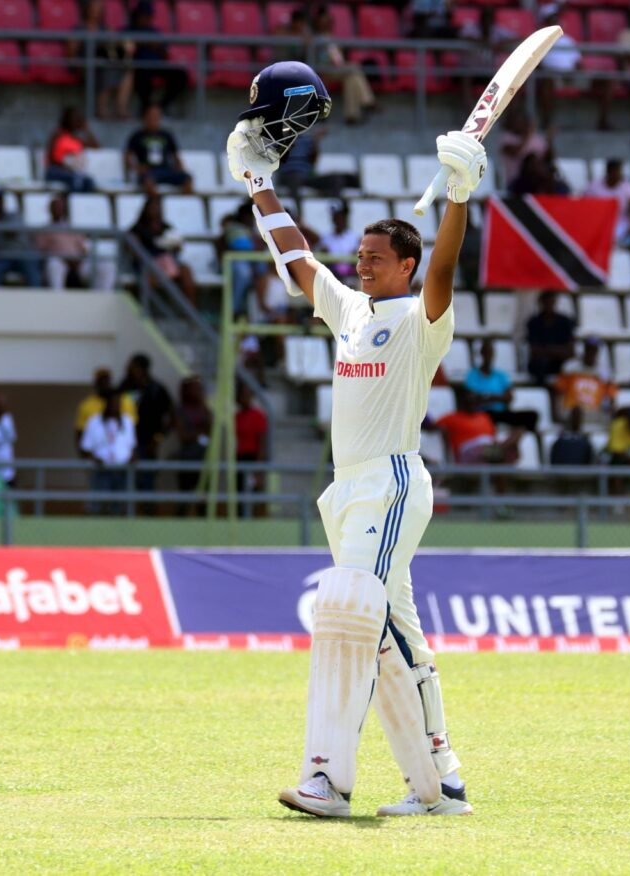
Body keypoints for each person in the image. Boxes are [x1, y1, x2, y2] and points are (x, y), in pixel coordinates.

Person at [227, 61, 481, 817]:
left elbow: (444, 265)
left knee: (345, 606)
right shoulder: (349, 309)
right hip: (350, 491)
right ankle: (442, 785)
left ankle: (326, 779)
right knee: (393, 635)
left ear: (403, 264)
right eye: (361, 256)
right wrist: (256, 183)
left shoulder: (420, 318)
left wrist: (459, 197)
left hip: (394, 482)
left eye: (376, 257)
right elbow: (296, 257)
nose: (361, 262)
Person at [119, 352, 172, 510]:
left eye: (132, 366)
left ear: (142, 369)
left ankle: (149, 515)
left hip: (147, 445)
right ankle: (125, 517)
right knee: (124, 482)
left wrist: (157, 439)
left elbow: (171, 416)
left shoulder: (157, 389)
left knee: (147, 482)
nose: (127, 368)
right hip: (126, 445)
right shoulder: (124, 387)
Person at [35, 195, 116, 291]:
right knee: (53, 264)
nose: (59, 210)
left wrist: (79, 259)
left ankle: (102, 296)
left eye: (61, 207)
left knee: (107, 265)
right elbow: (41, 250)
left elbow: (83, 247)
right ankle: (56, 297)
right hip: (60, 261)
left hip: (78, 262)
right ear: (50, 209)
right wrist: (65, 259)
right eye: (56, 207)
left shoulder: (73, 228)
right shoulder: (44, 229)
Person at [312, 6, 376, 125]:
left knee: (351, 77)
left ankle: (351, 115)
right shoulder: (315, 38)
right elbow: (321, 59)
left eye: (328, 20)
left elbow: (339, 59)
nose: (326, 23)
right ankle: (367, 100)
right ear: (318, 22)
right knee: (354, 67)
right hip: (323, 71)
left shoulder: (332, 37)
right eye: (323, 20)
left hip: (337, 70)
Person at [68, 0, 132, 119]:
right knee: (105, 67)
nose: (96, 11)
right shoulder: (79, 29)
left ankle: (121, 108)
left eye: (99, 8)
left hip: (105, 62)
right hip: (87, 65)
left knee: (126, 69)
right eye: (93, 7)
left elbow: (119, 45)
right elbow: (71, 52)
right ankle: (101, 108)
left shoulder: (106, 29)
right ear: (87, 9)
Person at [129, 195, 196, 304]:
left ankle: (192, 311)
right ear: (146, 209)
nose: (155, 210)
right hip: (147, 263)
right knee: (150, 276)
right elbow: (132, 248)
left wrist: (175, 246)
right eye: (153, 207)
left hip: (167, 262)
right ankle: (147, 311)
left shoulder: (166, 227)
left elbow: (177, 247)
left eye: (158, 207)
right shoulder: (138, 228)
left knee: (186, 270)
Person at [123, 1, 188, 112]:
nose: (146, 18)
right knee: (143, 80)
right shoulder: (128, 30)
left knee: (180, 76)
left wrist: (157, 47)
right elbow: (123, 49)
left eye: (149, 15)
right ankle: (147, 110)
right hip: (138, 67)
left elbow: (166, 53)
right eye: (143, 15)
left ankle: (160, 107)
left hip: (156, 65)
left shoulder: (153, 31)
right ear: (137, 15)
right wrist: (142, 43)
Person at [79, 390, 136, 515]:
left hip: (122, 470)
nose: (116, 406)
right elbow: (85, 448)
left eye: (118, 403)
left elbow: (132, 446)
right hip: (101, 471)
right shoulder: (94, 422)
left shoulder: (127, 422)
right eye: (113, 402)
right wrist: (94, 459)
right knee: (97, 507)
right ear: (107, 403)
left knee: (120, 507)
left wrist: (132, 457)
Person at [433, 388, 520, 466]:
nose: (473, 402)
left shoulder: (484, 417)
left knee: (519, 431)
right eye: (470, 400)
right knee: (494, 452)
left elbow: (492, 436)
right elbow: (431, 427)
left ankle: (501, 450)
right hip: (468, 451)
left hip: (489, 447)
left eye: (475, 399)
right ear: (461, 402)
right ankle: (502, 449)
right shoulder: (451, 417)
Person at [0, 190, 42, 288]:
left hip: (21, 255)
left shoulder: (14, 216)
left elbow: (11, 233)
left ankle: (38, 297)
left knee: (31, 267)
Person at [124, 105, 193, 192]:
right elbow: (127, 156)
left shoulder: (167, 135)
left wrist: (180, 168)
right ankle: (155, 204)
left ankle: (185, 204)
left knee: (187, 179)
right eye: (152, 116)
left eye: (157, 116)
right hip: (148, 171)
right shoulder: (137, 136)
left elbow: (176, 156)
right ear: (145, 117)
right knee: (148, 182)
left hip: (167, 169)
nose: (154, 119)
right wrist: (136, 168)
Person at [536, 3, 581, 130]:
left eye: (556, 18)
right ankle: (547, 121)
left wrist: (574, 74)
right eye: (551, 18)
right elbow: (537, 65)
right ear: (545, 21)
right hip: (551, 77)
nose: (555, 21)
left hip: (571, 77)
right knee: (547, 83)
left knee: (605, 80)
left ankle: (601, 122)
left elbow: (578, 63)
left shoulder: (569, 40)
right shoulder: (539, 40)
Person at [555, 336, 617, 425]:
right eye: (589, 349)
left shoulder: (605, 372)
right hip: (572, 411)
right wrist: (557, 415)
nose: (591, 352)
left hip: (596, 412)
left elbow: (611, 397)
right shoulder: (570, 368)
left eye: (594, 350)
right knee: (576, 412)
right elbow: (558, 391)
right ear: (584, 349)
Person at [75, 368, 137, 451]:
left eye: (106, 380)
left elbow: (132, 430)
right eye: (101, 381)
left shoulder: (125, 401)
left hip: (122, 454)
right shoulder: (88, 406)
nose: (104, 384)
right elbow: (80, 432)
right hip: (98, 454)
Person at [173, 376, 210, 515]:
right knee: (185, 496)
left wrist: (204, 403)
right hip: (187, 459)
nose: (199, 391)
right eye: (196, 388)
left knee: (204, 497)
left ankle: (203, 521)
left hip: (203, 459)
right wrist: (200, 434)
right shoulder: (180, 411)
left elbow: (211, 429)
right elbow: (183, 436)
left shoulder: (203, 409)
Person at [584, 159, 630, 244]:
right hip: (598, 224)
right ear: (608, 171)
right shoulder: (594, 187)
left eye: (619, 171)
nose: (619, 174)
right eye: (616, 171)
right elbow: (585, 206)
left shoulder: (627, 187)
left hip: (621, 224)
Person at [526, 290, 576, 385]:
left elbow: (570, 351)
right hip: (541, 364)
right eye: (546, 302)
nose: (548, 305)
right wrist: (557, 350)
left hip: (560, 362)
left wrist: (548, 349)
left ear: (555, 302)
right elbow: (534, 351)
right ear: (541, 302)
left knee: (571, 367)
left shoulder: (565, 321)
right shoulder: (534, 322)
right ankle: (542, 394)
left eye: (551, 301)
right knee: (539, 364)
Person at [45, 107, 99, 192]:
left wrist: (87, 130)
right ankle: (71, 204)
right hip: (55, 170)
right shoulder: (58, 135)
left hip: (72, 171)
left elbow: (96, 147)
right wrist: (66, 163)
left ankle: (83, 204)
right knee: (75, 179)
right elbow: (52, 157)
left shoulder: (77, 139)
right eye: (74, 118)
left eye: (79, 118)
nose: (76, 121)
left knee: (89, 181)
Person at [235, 381, 269, 515]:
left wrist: (258, 467)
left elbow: (262, 443)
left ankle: (254, 518)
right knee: (239, 492)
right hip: (240, 459)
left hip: (253, 458)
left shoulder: (257, 416)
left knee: (254, 491)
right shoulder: (237, 416)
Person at [317, 202, 359, 282]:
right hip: (332, 278)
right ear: (333, 218)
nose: (339, 219)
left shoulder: (353, 237)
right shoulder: (326, 237)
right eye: (337, 216)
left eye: (341, 216)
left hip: (350, 278)